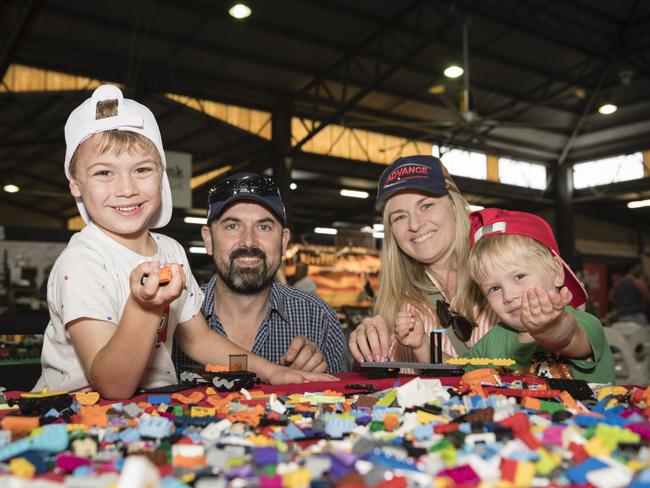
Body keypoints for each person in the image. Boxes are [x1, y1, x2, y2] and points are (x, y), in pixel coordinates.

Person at [35, 85, 335, 399]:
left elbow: (198, 339)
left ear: (162, 174)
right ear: (75, 184)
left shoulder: (170, 251)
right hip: (75, 418)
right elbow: (113, 385)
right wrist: (145, 308)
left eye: (142, 169)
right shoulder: (82, 262)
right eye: (104, 173)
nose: (126, 188)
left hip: (148, 412)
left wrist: (272, 371)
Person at [173, 172, 346, 374]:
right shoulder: (174, 319)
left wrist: (311, 383)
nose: (248, 242)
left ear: (283, 241)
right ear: (208, 239)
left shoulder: (318, 318)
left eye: (264, 227)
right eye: (232, 226)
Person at [349, 155, 504, 364]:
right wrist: (369, 346)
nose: (414, 224)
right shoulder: (397, 307)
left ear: (454, 206)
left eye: (426, 206)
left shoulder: (506, 271)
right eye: (400, 216)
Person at [457, 209, 613, 383]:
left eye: (519, 276)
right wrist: (423, 345)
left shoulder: (586, 323)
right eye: (494, 288)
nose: (508, 296)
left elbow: (567, 336)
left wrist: (548, 328)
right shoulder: (493, 340)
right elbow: (458, 377)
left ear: (556, 271)